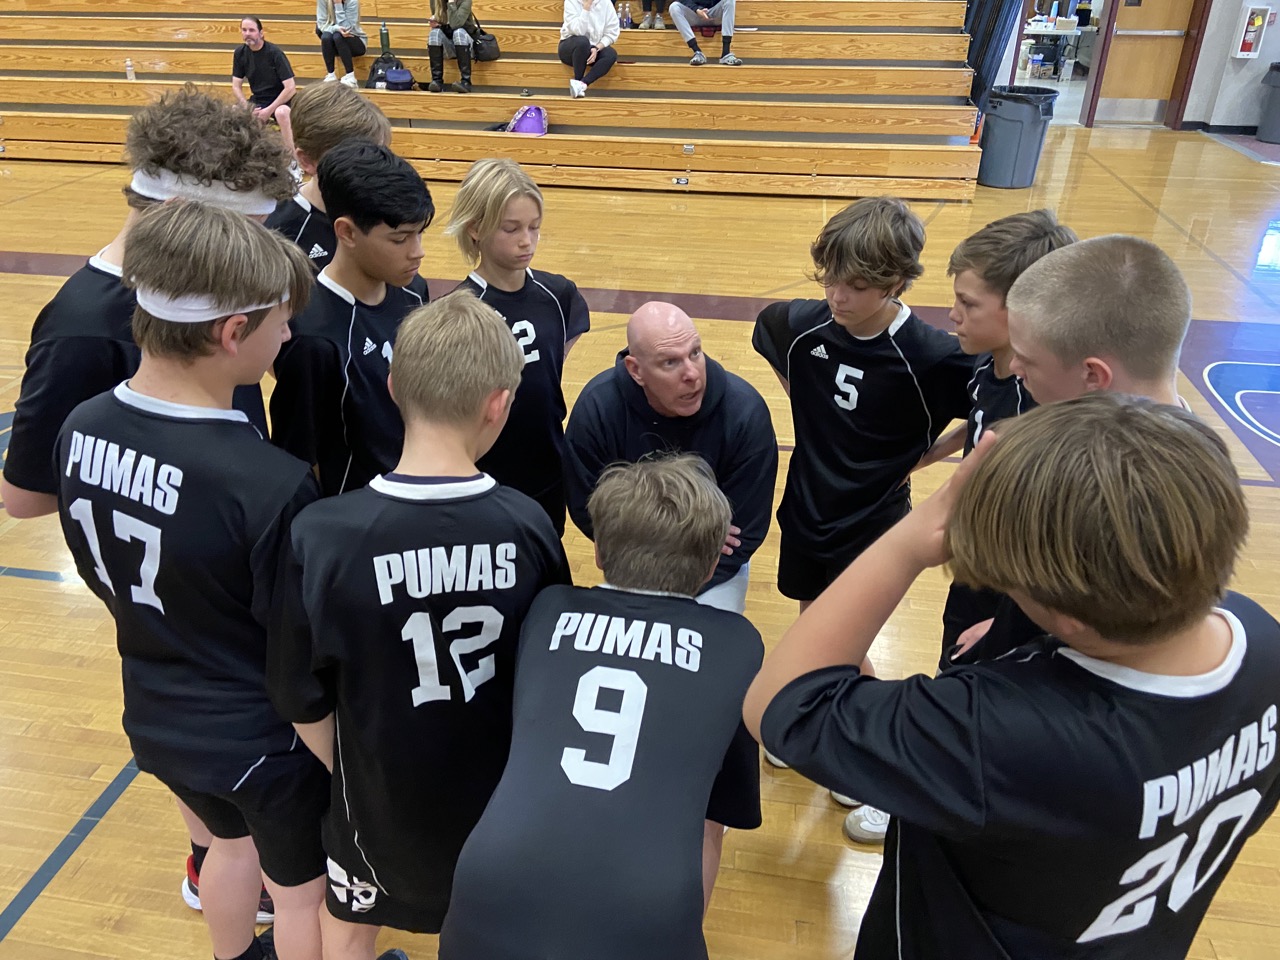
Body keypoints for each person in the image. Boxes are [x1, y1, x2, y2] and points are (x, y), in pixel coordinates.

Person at [744, 392, 1280, 960]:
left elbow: (780, 703)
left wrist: (907, 541)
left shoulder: (994, 732)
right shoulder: (1260, 639)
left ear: (1069, 617)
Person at [1, 87, 293, 917]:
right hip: (180, 581)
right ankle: (218, 859)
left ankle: (223, 855)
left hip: (228, 545)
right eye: (251, 232)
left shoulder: (204, 290)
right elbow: (25, 496)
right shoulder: (86, 325)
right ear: (191, 220)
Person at [55, 200, 327, 960]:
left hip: (153, 712)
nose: (288, 336)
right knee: (305, 892)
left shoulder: (80, 429)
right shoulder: (265, 483)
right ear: (232, 332)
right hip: (259, 739)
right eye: (280, 322)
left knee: (225, 847)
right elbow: (296, 669)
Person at [268, 289, 571, 960]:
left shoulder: (321, 534)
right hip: (496, 799)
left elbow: (296, 694)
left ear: (394, 384)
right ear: (499, 403)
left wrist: (354, 767)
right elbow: (551, 682)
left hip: (374, 800)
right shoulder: (528, 526)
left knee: (347, 925)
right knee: (487, 927)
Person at [439, 454, 764, 960]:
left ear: (598, 553)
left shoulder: (548, 610)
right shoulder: (737, 644)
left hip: (491, 876)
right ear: (707, 567)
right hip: (645, 900)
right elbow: (713, 821)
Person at [751, 196, 972, 840]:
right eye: (829, 280)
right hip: (806, 505)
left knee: (844, 642)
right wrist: (811, 404)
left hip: (874, 523)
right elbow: (769, 335)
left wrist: (922, 457)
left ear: (898, 282)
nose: (837, 297)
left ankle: (858, 755)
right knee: (809, 620)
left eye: (857, 286)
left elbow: (982, 409)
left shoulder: (934, 355)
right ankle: (805, 716)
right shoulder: (799, 327)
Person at [949, 234, 1194, 668]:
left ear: (1093, 376)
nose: (1016, 369)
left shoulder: (1134, 487)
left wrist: (1023, 628)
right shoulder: (1177, 449)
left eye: (1027, 359)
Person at [904, 210, 1077, 670]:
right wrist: (926, 457)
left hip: (1013, 590)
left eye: (969, 304)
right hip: (975, 567)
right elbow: (983, 423)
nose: (953, 315)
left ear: (1022, 309)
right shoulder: (987, 361)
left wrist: (1011, 621)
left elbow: (1058, 540)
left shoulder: (1042, 405)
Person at [565, 301, 777, 614]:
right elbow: (587, 510)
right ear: (636, 371)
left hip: (714, 570)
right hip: (631, 564)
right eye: (670, 363)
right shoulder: (596, 410)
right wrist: (695, 536)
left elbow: (745, 531)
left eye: (695, 352)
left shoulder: (746, 414)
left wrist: (676, 570)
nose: (692, 374)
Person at [270, 140, 433, 497]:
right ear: (345, 232)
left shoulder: (413, 291)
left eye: (419, 234)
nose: (417, 252)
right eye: (399, 239)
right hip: (355, 525)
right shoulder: (311, 338)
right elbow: (295, 463)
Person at [446, 158, 590, 535]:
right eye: (511, 229)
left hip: (546, 470)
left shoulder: (559, 295)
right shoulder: (459, 311)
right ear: (475, 228)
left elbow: (549, 374)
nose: (526, 240)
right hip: (484, 477)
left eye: (534, 227)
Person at [265, 82, 392, 271]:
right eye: (355, 159)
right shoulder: (278, 233)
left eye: (379, 154)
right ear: (307, 161)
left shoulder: (387, 213)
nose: (372, 166)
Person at [232, 17, 297, 156]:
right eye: (244, 30)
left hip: (281, 100)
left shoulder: (275, 53)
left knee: (282, 113)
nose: (247, 33)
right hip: (258, 100)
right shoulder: (239, 53)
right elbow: (236, 86)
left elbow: (290, 87)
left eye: (251, 30)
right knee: (234, 111)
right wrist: (247, 107)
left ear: (261, 33)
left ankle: (293, 161)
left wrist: (268, 110)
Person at [559, 0, 620, 97]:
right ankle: (577, 79)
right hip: (571, 47)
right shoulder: (571, 1)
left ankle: (582, 84)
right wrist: (586, 7)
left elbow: (612, 32)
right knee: (582, 42)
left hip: (593, 49)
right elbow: (578, 31)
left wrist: (596, 47)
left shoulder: (606, 2)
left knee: (611, 54)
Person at [427, 0, 478, 93]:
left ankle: (466, 82)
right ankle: (437, 81)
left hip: (466, 46)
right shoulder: (435, 1)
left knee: (458, 32)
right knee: (434, 33)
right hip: (449, 46)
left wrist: (451, 3)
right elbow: (442, 22)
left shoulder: (466, 1)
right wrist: (436, 23)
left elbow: (456, 24)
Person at [668, 0, 741, 65]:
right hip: (695, 14)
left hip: (715, 14)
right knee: (674, 7)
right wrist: (696, 9)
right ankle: (697, 51)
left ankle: (726, 53)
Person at [317, 0, 368, 86]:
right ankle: (331, 75)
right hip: (335, 43)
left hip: (355, 42)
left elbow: (347, 28)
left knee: (338, 36)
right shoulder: (323, 1)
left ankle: (350, 76)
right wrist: (335, 28)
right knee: (325, 36)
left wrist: (338, 5)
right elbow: (321, 25)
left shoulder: (352, 2)